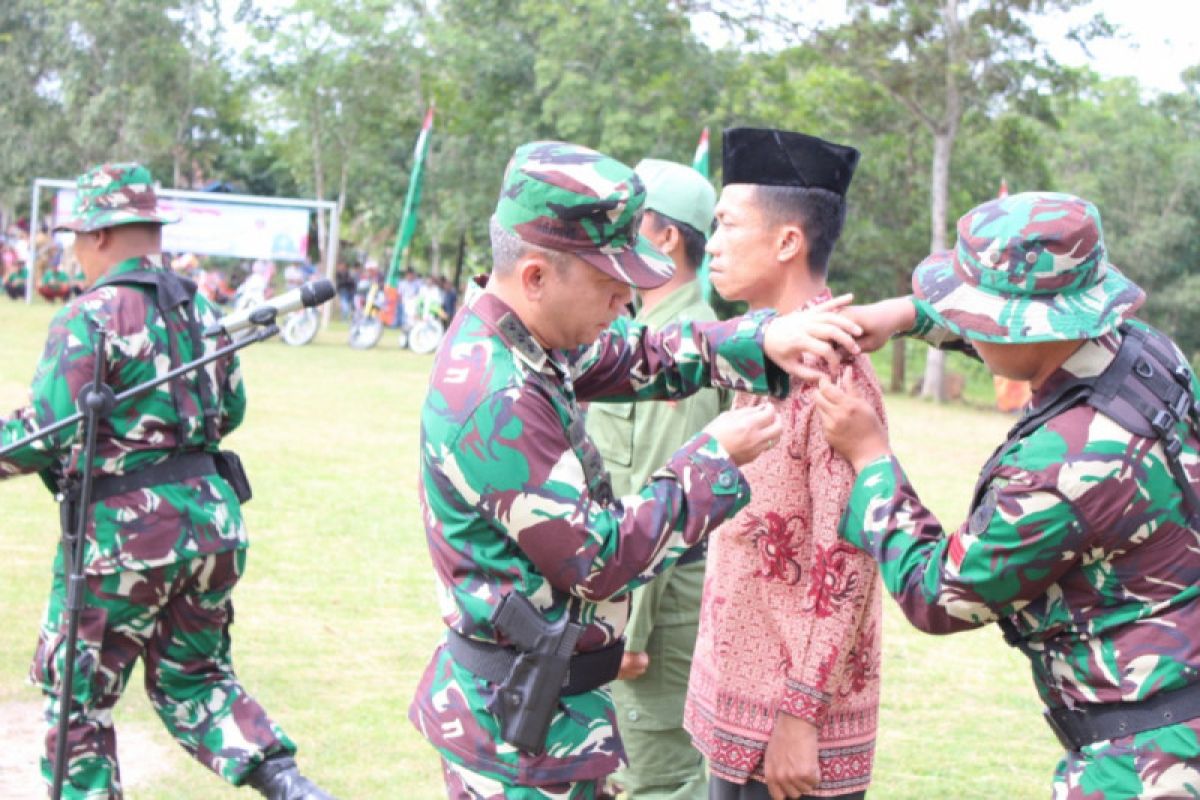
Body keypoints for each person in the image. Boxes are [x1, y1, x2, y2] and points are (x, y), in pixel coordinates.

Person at [408, 140, 866, 799]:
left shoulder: (526, 338)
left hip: (545, 718)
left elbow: (638, 354)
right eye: (608, 280)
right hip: (517, 743)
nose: (626, 298)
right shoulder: (495, 398)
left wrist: (759, 338)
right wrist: (712, 459)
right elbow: (596, 558)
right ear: (535, 276)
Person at [813, 191, 1199, 799]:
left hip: (1147, 765)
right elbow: (1029, 345)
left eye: (978, 315)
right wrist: (905, 316)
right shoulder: (1146, 352)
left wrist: (871, 459)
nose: (968, 326)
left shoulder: (1063, 468)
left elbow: (939, 594)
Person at [0, 163, 334, 800]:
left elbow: (45, 435)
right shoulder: (198, 308)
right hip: (212, 527)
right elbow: (228, 410)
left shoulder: (90, 315)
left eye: (75, 238)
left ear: (99, 236)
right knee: (196, 678)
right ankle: (291, 786)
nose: (72, 251)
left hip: (124, 539)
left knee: (78, 702)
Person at [683, 128, 885, 800]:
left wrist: (801, 713)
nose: (709, 244)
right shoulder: (767, 355)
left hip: (788, 735)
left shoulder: (830, 371)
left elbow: (850, 557)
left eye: (726, 225)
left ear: (787, 242)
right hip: (741, 711)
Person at [586, 157, 726, 800]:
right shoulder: (641, 331)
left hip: (656, 618)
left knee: (654, 783)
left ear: (666, 237)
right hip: (618, 600)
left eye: (629, 223)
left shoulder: (689, 341)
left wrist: (632, 630)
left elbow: (670, 491)